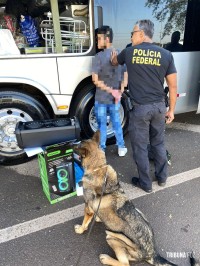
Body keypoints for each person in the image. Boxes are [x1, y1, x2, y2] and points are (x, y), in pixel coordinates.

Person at [111, 19, 177, 192]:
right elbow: (173, 86)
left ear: (141, 34)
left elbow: (114, 62)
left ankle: (145, 183)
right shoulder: (166, 54)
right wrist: (171, 110)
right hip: (159, 108)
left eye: (133, 33)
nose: (131, 36)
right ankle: (162, 178)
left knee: (140, 146)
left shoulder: (129, 52)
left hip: (140, 109)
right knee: (158, 143)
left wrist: (112, 58)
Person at [92, 25, 128, 156]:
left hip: (101, 99)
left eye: (98, 39)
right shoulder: (121, 54)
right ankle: (121, 147)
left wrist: (111, 91)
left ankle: (102, 149)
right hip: (115, 99)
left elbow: (95, 80)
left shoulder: (98, 57)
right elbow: (126, 75)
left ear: (106, 39)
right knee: (116, 122)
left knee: (102, 125)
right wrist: (120, 90)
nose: (97, 41)